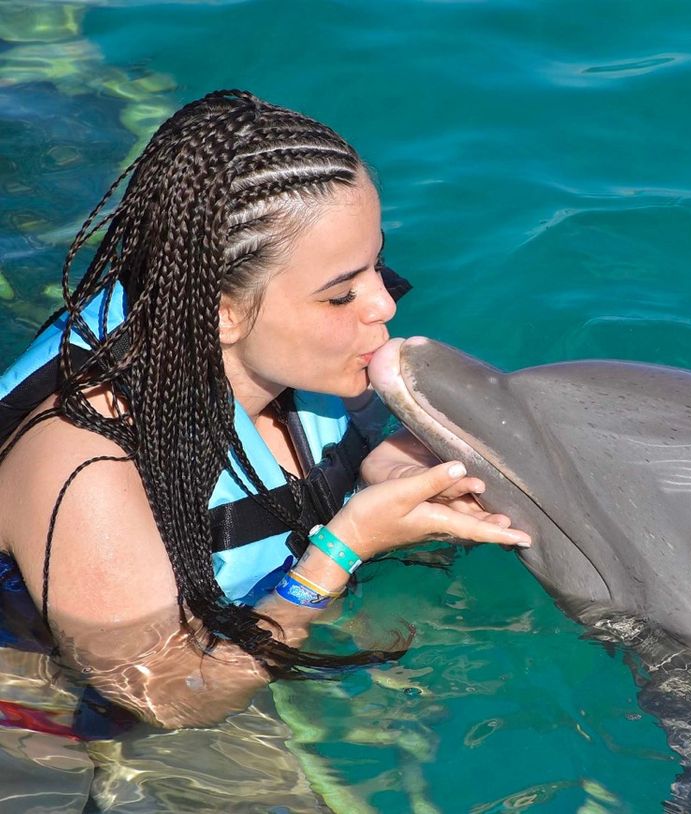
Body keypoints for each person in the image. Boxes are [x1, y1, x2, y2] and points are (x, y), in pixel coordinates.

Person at [0, 89, 531, 730]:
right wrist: (342, 550)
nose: (384, 307)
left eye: (376, 267)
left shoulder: (303, 355)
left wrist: (376, 469)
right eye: (340, 296)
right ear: (220, 310)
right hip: (47, 705)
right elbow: (168, 697)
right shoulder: (84, 467)